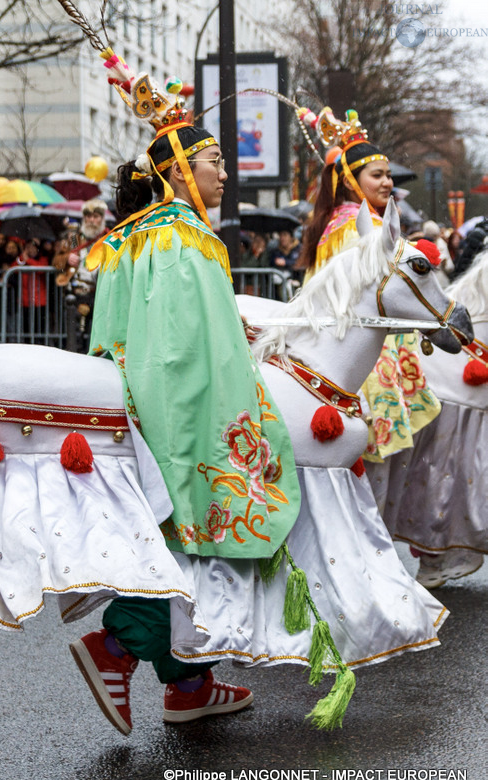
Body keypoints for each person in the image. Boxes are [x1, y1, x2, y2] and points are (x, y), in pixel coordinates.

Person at [70, 58, 302, 735]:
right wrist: (249, 415)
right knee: (197, 538)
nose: (224, 173)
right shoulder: (185, 237)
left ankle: (189, 685)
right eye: (213, 161)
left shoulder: (126, 238)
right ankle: (113, 645)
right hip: (184, 416)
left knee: (174, 539)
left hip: (132, 411)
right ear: (177, 173)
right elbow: (195, 352)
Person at [296, 107, 441, 462]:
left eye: (389, 175)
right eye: (377, 175)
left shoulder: (342, 220)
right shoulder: (359, 228)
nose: (388, 182)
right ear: (349, 181)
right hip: (361, 358)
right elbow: (368, 296)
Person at [55, 199, 109, 352]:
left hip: (101, 293)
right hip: (77, 293)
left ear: (102, 218)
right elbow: (56, 260)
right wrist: (67, 258)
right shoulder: (74, 238)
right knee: (76, 337)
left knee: (97, 337)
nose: (92, 220)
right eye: (89, 216)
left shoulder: (109, 237)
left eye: (96, 216)